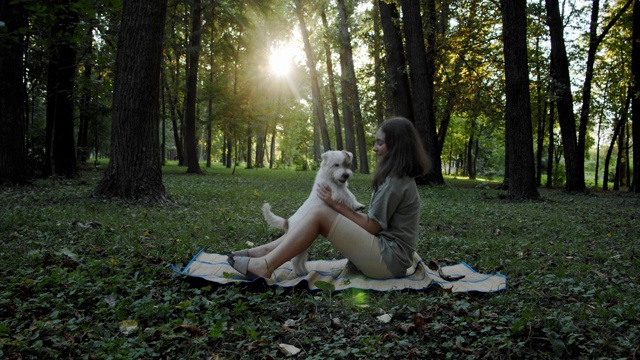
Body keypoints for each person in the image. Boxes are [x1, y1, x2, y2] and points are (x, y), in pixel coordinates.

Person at [228, 117, 431, 279]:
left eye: (380, 143)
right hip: (386, 254)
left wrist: (334, 204)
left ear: (395, 146)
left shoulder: (395, 182)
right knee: (319, 213)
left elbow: (371, 227)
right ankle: (262, 253)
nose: (375, 148)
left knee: (320, 212)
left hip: (388, 261)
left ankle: (265, 265)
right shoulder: (396, 177)